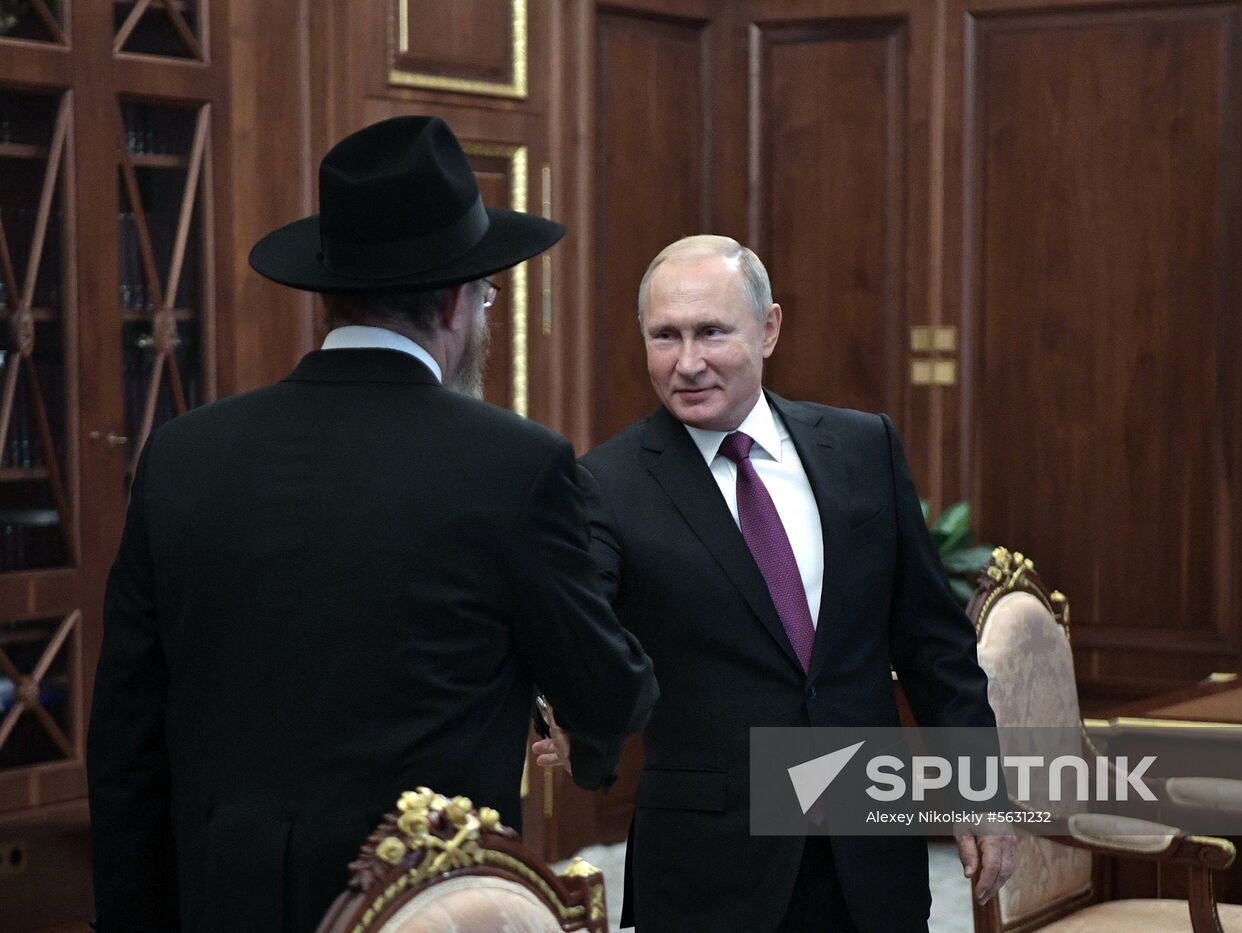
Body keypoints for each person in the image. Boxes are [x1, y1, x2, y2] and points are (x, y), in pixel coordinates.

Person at [86, 115, 658, 933]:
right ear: (460, 302)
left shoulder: (183, 453)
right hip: (427, 907)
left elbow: (123, 750)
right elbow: (606, 687)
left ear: (330, 291)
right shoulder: (514, 464)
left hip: (223, 901)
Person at [535, 235, 1013, 932]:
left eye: (711, 332)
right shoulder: (606, 484)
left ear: (769, 329)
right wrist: (578, 721)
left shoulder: (860, 448)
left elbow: (932, 642)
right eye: (665, 336)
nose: (687, 361)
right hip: (713, 868)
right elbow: (583, 629)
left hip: (866, 850)